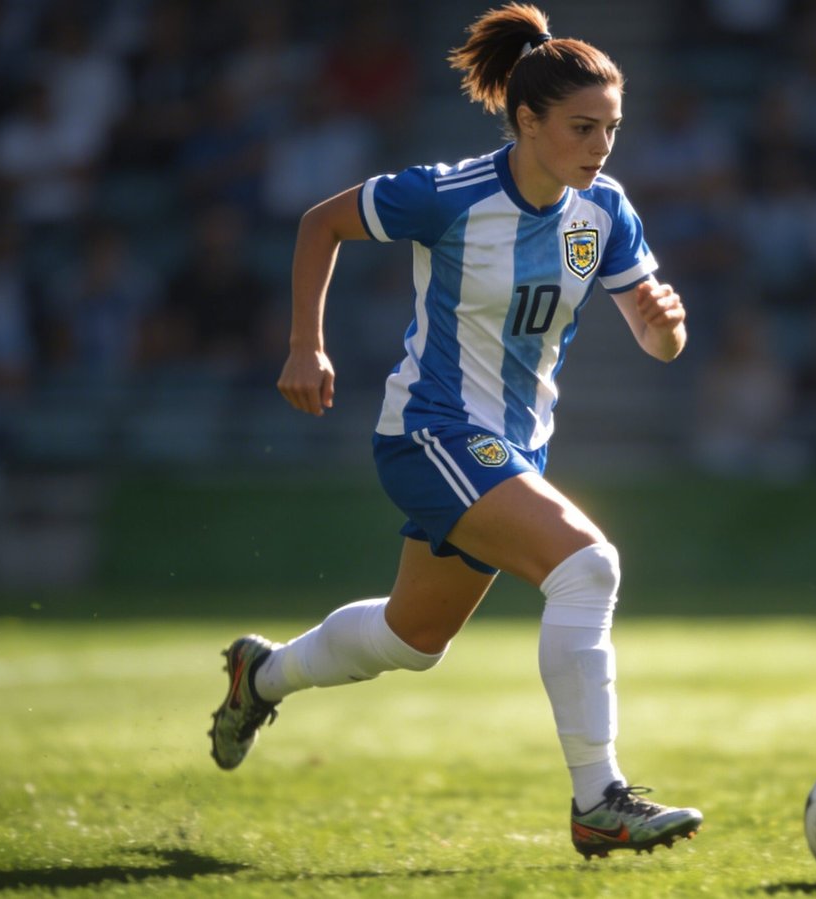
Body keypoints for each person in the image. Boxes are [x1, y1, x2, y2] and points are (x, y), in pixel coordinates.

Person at [207, 3, 700, 860]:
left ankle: (264, 673)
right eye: (582, 127)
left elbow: (659, 345)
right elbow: (319, 222)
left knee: (413, 638)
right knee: (588, 566)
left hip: (511, 448)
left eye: (612, 129)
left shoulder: (606, 210)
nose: (600, 147)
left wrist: (666, 323)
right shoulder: (447, 194)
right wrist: (304, 344)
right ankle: (599, 801)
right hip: (430, 431)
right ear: (526, 119)